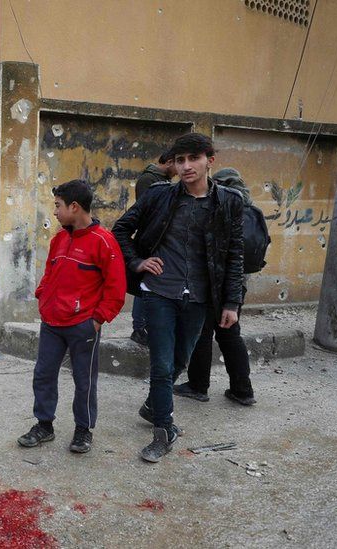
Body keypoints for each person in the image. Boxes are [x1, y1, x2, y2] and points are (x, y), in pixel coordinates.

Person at [113, 133, 245, 463]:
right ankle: (164, 429)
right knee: (160, 365)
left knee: (180, 361)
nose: (185, 166)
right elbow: (120, 229)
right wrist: (137, 262)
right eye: (179, 160)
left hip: (200, 297)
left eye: (192, 159)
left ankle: (153, 405)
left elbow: (234, 255)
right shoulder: (159, 196)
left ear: (209, 160)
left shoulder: (229, 201)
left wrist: (231, 303)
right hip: (159, 292)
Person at [17, 180, 126, 454]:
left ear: (74, 207)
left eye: (58, 206)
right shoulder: (59, 239)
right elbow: (49, 274)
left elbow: (116, 287)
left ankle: (83, 430)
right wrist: (43, 295)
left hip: (83, 326)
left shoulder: (104, 241)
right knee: (43, 374)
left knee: (84, 379)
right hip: (52, 323)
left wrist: (98, 318)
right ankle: (44, 425)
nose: (54, 212)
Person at [174, 168, 256, 406]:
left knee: (202, 333)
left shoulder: (222, 205)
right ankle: (243, 389)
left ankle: (198, 385)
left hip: (214, 283)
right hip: (237, 284)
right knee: (230, 335)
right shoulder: (248, 207)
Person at [130, 152, 178, 346]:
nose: (180, 169)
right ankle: (139, 328)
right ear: (168, 162)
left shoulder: (162, 180)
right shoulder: (149, 180)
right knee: (144, 285)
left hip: (158, 239)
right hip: (150, 240)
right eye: (178, 162)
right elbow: (148, 212)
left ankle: (146, 326)